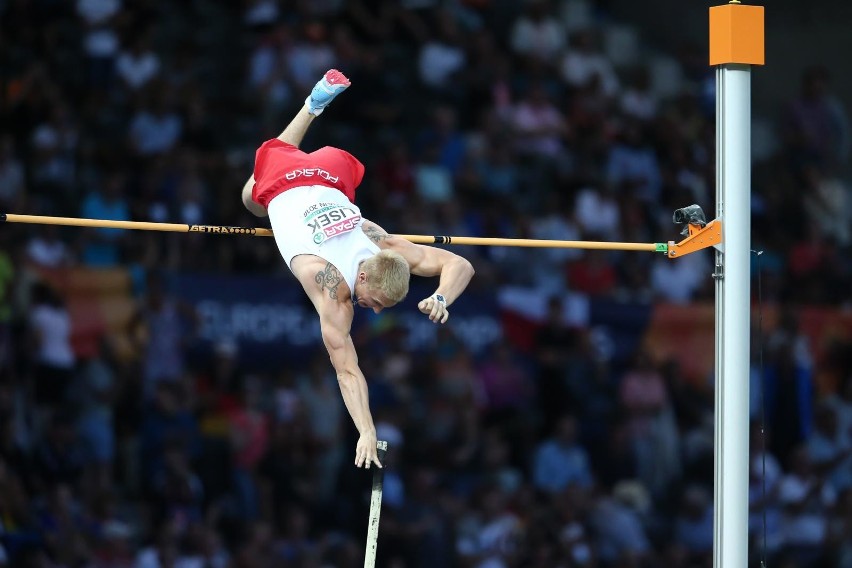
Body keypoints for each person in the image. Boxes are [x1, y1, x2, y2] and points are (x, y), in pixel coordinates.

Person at [240, 69, 475, 469]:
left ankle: (315, 104)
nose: (376, 311)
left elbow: (460, 265)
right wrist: (366, 429)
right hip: (294, 181)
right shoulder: (329, 285)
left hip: (331, 172)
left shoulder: (384, 244)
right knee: (250, 199)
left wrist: (441, 296)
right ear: (361, 277)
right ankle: (310, 107)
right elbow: (347, 371)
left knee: (278, 161)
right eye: (377, 302)